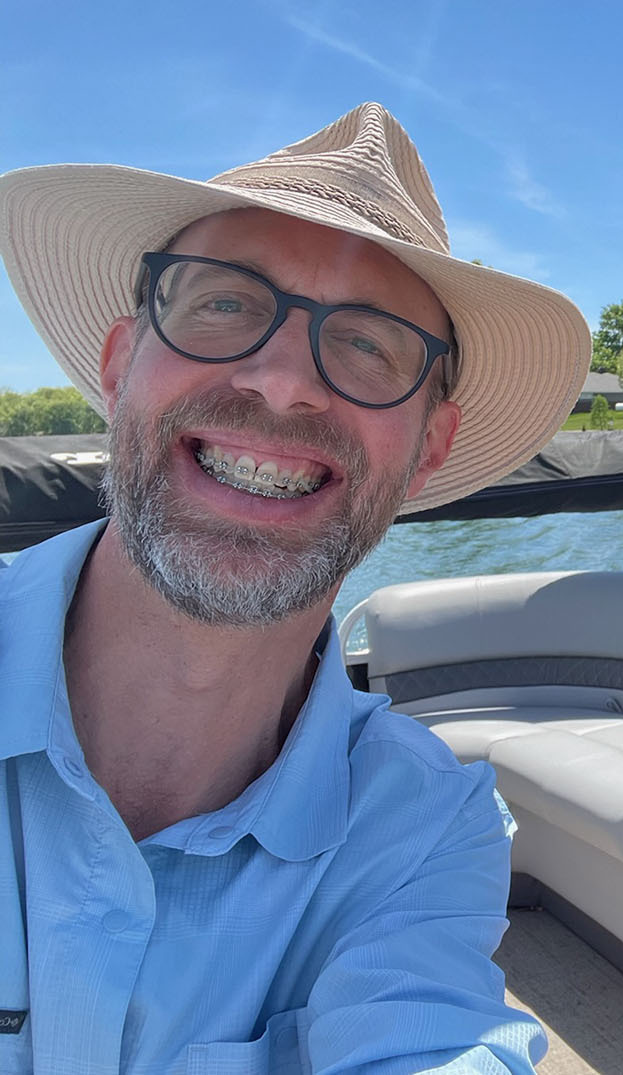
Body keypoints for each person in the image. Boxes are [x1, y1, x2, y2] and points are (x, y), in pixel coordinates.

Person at [0, 103, 591, 1072]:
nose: (282, 385)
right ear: (119, 365)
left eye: (368, 344)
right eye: (223, 304)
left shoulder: (425, 827)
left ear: (428, 450)